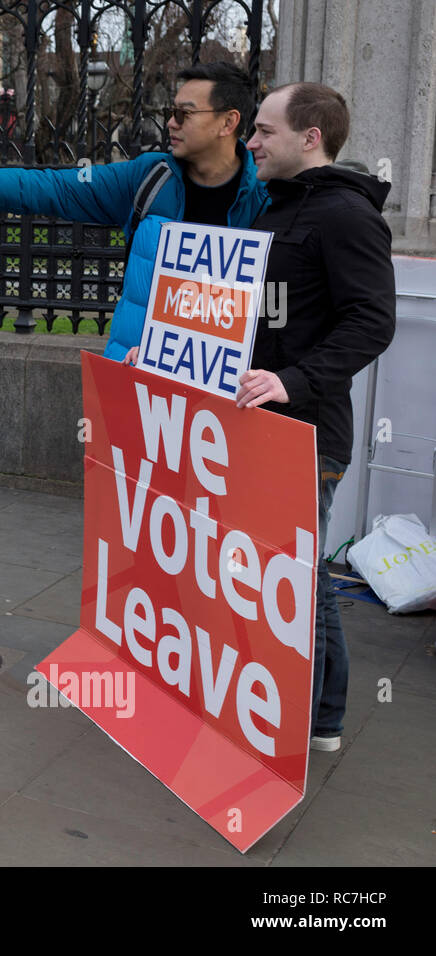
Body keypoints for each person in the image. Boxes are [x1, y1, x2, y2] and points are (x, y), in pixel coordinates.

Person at [0, 62, 268, 358]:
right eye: (171, 111)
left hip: (228, 390)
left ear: (228, 122)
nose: (171, 122)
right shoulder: (149, 177)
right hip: (139, 374)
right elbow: (51, 187)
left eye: (184, 114)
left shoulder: (268, 198)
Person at [231, 83, 396, 752]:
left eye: (265, 131)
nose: (252, 142)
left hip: (309, 435)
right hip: (259, 423)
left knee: (298, 579)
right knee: (295, 574)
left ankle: (313, 721)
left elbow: (372, 322)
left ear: (310, 137)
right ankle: (320, 717)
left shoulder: (346, 218)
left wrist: (292, 381)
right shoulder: (277, 210)